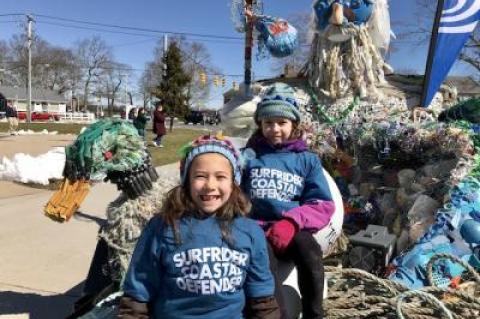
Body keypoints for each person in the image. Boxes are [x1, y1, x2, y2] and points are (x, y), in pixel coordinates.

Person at [119, 135, 280, 319]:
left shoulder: (251, 232)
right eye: (200, 176)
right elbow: (139, 292)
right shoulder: (162, 226)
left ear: (233, 183)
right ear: (186, 180)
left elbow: (262, 299)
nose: (210, 185)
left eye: (220, 177)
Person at [241, 83, 335, 319]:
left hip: (292, 229)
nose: (274, 129)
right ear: (260, 124)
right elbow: (233, 195)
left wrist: (292, 222)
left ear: (293, 124)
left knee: (310, 252)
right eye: (268, 123)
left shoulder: (307, 160)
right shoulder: (248, 158)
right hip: (258, 232)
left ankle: (315, 313)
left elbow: (322, 204)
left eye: (281, 123)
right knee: (265, 269)